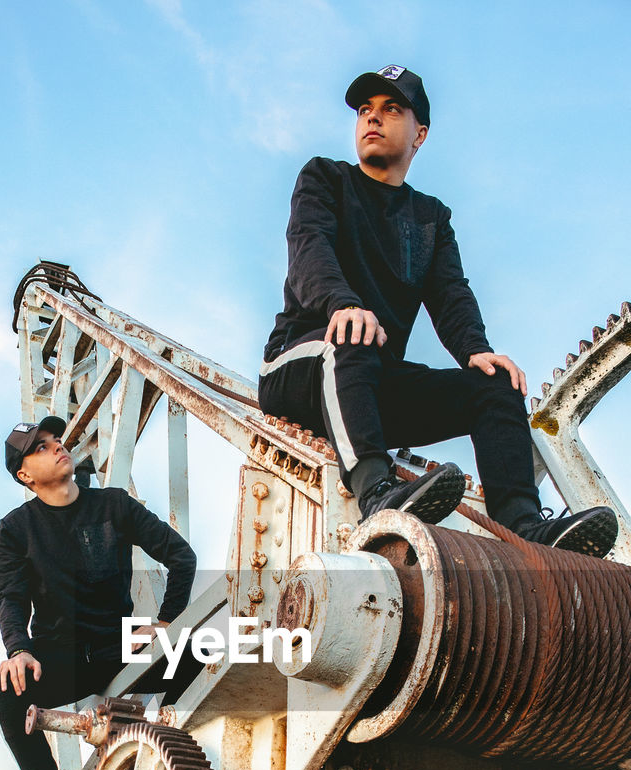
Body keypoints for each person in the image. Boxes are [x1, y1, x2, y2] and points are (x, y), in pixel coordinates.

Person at [258, 64, 618, 557]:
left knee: (496, 385)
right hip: (301, 370)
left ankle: (523, 524)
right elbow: (308, 249)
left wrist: (476, 350)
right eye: (365, 110)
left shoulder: (430, 217)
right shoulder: (325, 177)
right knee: (349, 342)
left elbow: (451, 293)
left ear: (420, 133)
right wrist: (342, 304)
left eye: (390, 109)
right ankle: (378, 494)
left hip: (373, 389)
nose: (372, 119)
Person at [0, 417, 197, 770]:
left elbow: (182, 557)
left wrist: (164, 621)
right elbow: (10, 597)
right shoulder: (15, 529)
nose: (57, 447)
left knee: (199, 658)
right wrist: (18, 650)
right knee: (6, 693)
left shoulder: (114, 506)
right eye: (41, 447)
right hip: (58, 655)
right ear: (25, 475)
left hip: (118, 647)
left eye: (56, 440)